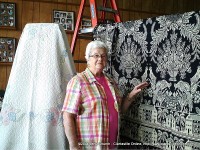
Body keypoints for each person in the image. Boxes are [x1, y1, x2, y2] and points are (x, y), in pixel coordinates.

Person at [62, 40, 149, 150]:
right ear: (87, 58)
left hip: (112, 143)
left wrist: (130, 96)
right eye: (96, 55)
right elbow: (67, 116)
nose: (100, 59)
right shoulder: (78, 81)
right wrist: (74, 145)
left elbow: (119, 111)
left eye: (103, 56)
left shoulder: (111, 82)